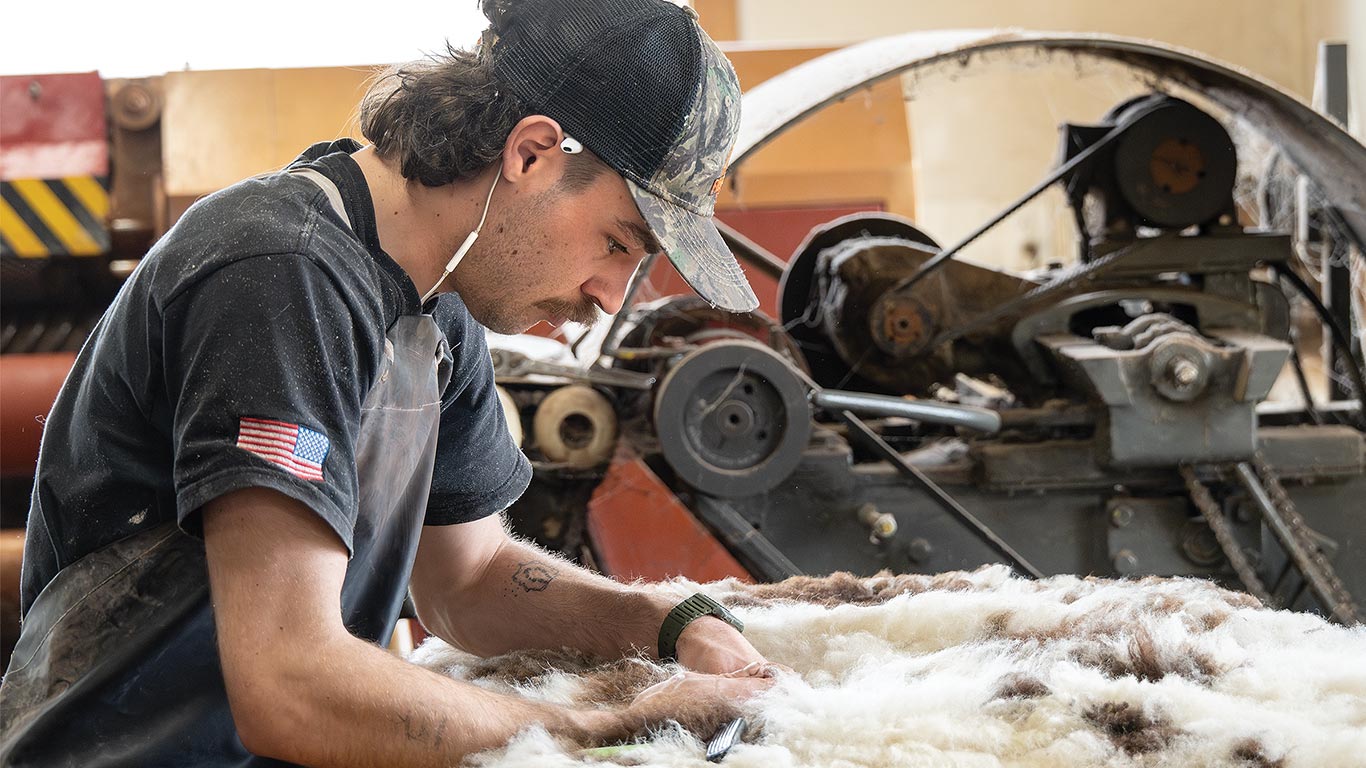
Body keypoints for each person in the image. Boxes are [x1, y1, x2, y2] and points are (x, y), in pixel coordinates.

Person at [0, 0, 776, 764]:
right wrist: (603, 728)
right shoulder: (281, 273)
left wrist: (668, 620)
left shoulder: (442, 305)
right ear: (532, 154)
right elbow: (290, 684)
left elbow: (466, 582)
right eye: (617, 241)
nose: (612, 294)